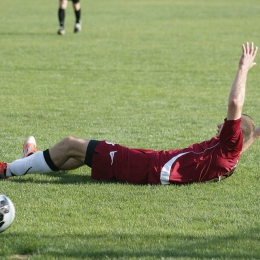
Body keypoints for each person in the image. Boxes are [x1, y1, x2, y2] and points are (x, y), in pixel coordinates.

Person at [0, 42, 259, 185]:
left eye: (224, 128)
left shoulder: (229, 144)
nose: (219, 127)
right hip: (150, 164)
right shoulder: (231, 156)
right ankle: (31, 159)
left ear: (234, 134)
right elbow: (252, 135)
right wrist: (255, 134)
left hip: (145, 168)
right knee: (81, 155)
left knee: (70, 143)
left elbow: (236, 102)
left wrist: (243, 68)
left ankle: (6, 170)